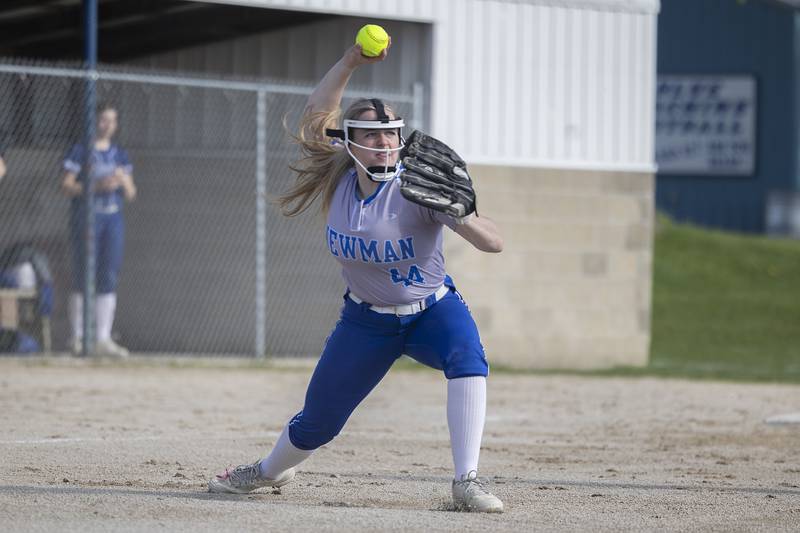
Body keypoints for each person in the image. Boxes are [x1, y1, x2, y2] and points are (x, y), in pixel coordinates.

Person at [208, 42, 506, 513]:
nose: (385, 143)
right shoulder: (338, 173)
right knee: (317, 423)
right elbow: (315, 114)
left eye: (391, 134)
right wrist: (349, 61)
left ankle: (466, 481)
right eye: (370, 135)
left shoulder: (418, 186)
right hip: (366, 322)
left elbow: (494, 242)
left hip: (431, 308)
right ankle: (267, 471)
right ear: (348, 142)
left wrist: (462, 216)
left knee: (467, 357)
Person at [61, 103, 136, 358]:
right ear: (94, 121)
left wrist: (122, 181)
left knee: (108, 276)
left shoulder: (119, 154)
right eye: (103, 120)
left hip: (112, 220)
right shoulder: (81, 150)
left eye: (112, 121)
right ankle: (78, 337)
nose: (107, 125)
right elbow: (66, 186)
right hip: (87, 218)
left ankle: (102, 338)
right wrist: (95, 186)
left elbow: (131, 193)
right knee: (84, 274)